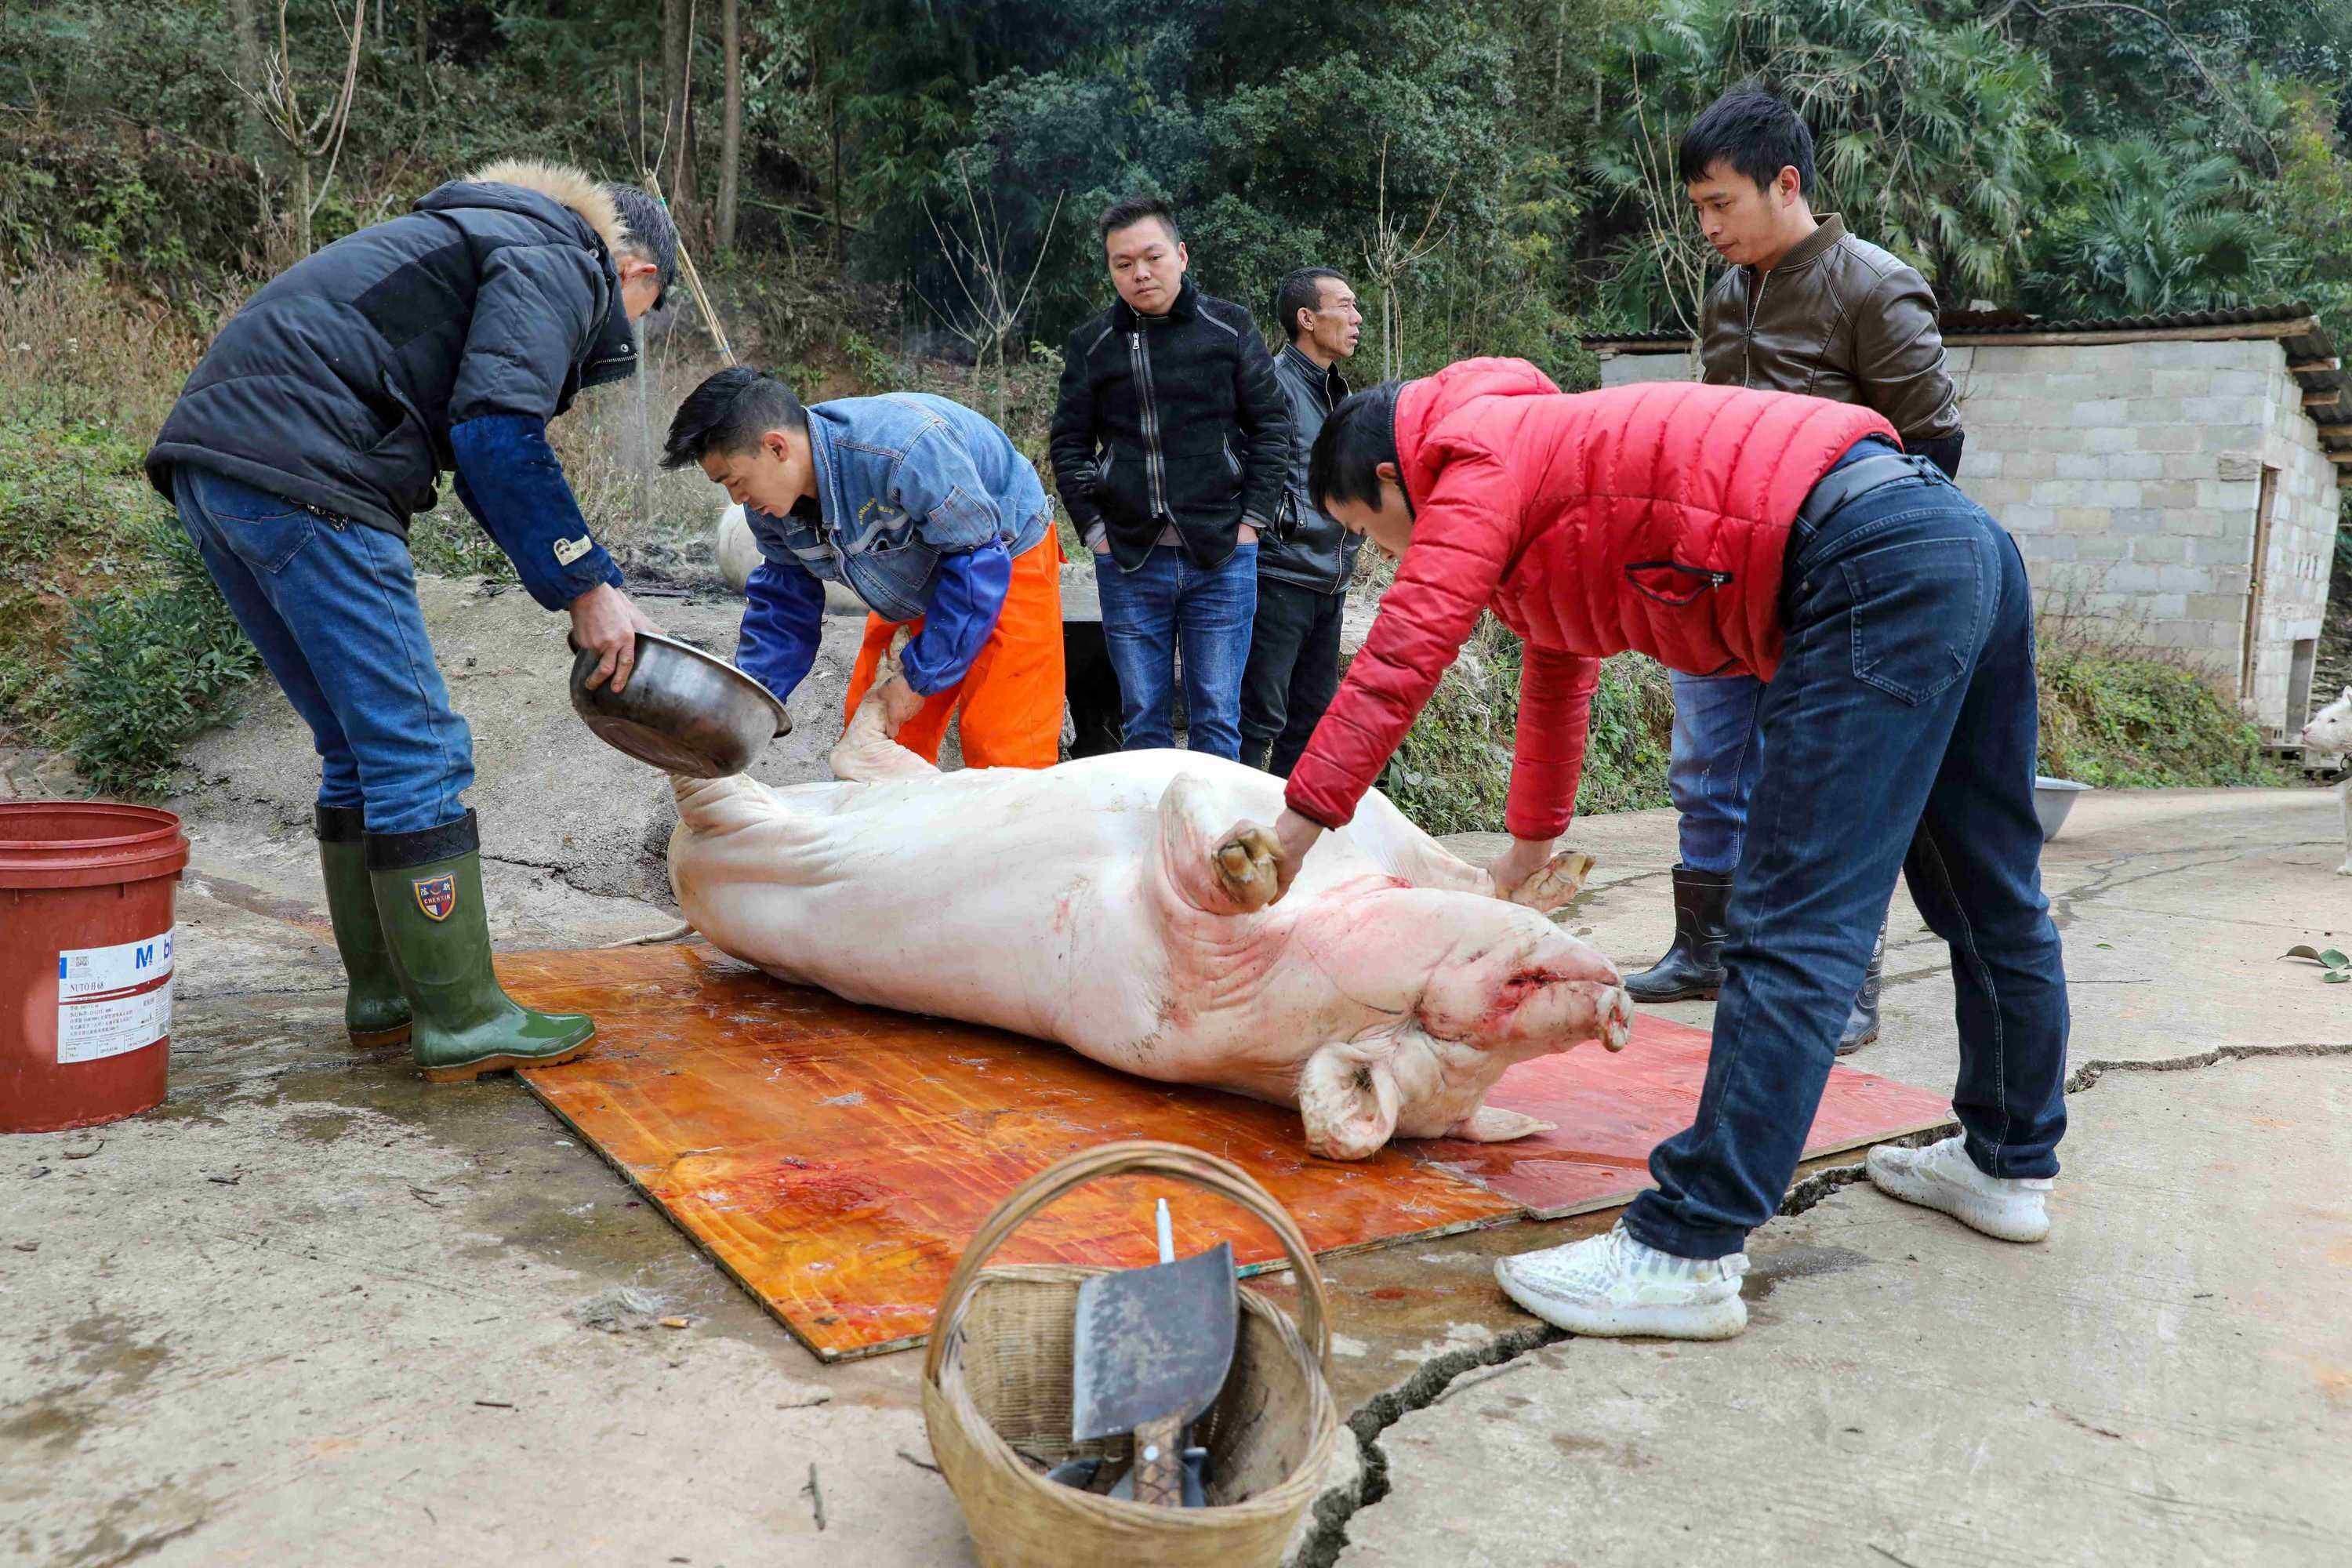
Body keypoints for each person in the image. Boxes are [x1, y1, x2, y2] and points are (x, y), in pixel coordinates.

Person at [1221, 360, 2067, 1341]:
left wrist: (1294, 830)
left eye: (1372, 531)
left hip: (1865, 563)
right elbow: (1557, 671)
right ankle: (2007, 1161)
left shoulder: (1476, 454)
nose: (1385, 554)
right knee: (1985, 887)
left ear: (1390, 478)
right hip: (1955, 542)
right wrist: (1523, 855)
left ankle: (1687, 1247)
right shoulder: (1539, 468)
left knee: (1792, 924)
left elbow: (1404, 651)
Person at [144, 159, 680, 1083]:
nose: (627, 331)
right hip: (309, 468)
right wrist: (588, 584)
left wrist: (567, 575)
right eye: (645, 311)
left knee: (359, 748)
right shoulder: (560, 256)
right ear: (636, 273)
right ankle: (463, 1017)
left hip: (218, 467)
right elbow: (497, 432)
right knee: (418, 751)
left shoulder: (482, 235)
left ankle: (387, 993)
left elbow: (480, 452)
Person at [1634, 88, 1967, 1055]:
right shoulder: (1725, 291)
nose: (1708, 227)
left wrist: (1868, 566)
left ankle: (1840, 976)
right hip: (1722, 573)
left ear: (1786, 184)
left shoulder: (1874, 287)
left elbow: (1933, 447)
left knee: (1828, 781)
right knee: (1706, 765)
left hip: (1836, 580)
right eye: (1698, 208)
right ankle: (1706, 946)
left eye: (1721, 203)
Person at [662, 368, 1064, 767]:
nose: (737, 500)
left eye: (735, 482)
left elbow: (977, 562)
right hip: (909, 574)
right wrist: (746, 705)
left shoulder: (904, 452)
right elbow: (785, 608)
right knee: (876, 738)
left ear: (776, 448)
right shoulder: (769, 511)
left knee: (1005, 750)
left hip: (998, 555)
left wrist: (917, 678)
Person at [1049, 196, 1290, 759]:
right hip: (1129, 559)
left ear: (1181, 255)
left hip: (1223, 554)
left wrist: (1252, 522)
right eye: (1123, 263)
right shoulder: (1093, 344)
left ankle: (1214, 820)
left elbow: (1272, 426)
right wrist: (1095, 533)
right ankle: (1150, 821)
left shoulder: (1228, 328)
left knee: (1217, 717)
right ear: (1111, 269)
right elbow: (1069, 443)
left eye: (1152, 257)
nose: (1140, 273)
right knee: (1143, 721)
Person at [1240, 267, 1363, 775]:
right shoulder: (1273, 384)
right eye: (1345, 306)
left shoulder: (1339, 393)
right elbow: (1248, 470)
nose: (1357, 318)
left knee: (1310, 716)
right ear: (1307, 318)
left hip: (1330, 580)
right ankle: (1239, 815)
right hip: (1282, 573)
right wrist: (1279, 526)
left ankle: (1285, 816)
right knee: (1259, 717)